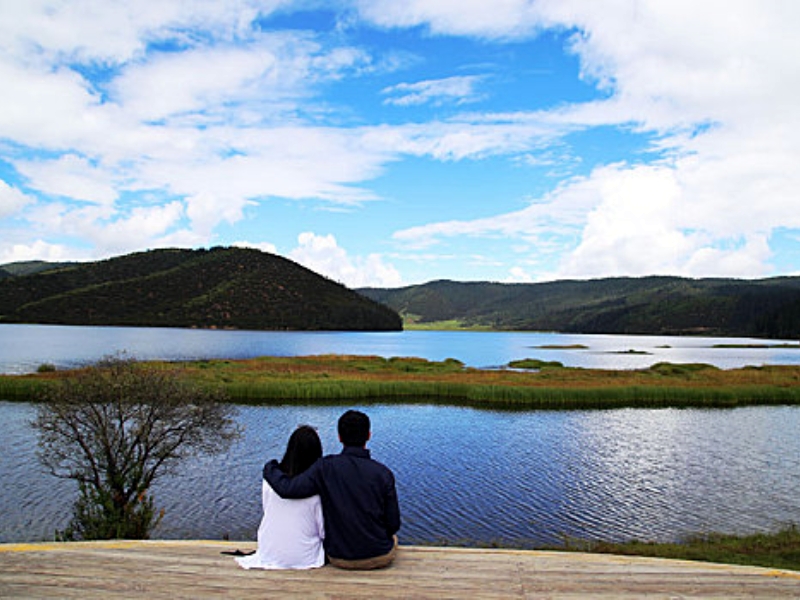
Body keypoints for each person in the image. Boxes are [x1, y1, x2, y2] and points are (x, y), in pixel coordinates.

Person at [263, 410, 401, 570]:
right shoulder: (383, 473)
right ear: (368, 435)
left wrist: (270, 467)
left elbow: (288, 489)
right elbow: (393, 525)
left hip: (339, 558)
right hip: (379, 556)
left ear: (340, 437)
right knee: (393, 538)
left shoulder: (325, 468)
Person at [236, 425, 325, 570]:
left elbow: (268, 510)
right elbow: (323, 530)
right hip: (305, 558)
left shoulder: (270, 479)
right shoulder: (317, 488)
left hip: (269, 552)